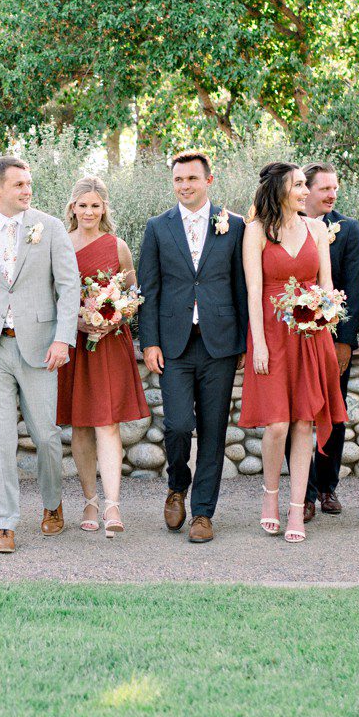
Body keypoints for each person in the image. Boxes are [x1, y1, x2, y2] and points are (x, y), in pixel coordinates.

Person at [0, 155, 80, 555]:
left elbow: (69, 286)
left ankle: (52, 504)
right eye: (18, 184)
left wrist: (63, 338)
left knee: (46, 436)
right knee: (0, 439)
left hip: (40, 345)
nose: (27, 190)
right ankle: (5, 523)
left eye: (29, 183)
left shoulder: (48, 228)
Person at [138, 152, 246, 545]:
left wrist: (246, 343)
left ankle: (202, 513)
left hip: (219, 343)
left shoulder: (234, 226)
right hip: (174, 345)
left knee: (214, 432)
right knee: (179, 425)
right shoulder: (157, 227)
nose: (184, 185)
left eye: (192, 179)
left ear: (209, 180)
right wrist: (149, 341)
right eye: (178, 179)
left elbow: (242, 287)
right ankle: (177, 485)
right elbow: (148, 289)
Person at [239, 162, 347, 544]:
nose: (305, 191)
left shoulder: (318, 229)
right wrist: (260, 344)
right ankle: (270, 498)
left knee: (304, 421)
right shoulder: (255, 231)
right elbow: (254, 291)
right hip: (270, 331)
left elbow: (327, 285)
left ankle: (297, 507)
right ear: (280, 189)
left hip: (310, 335)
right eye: (299, 184)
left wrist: (326, 316)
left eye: (305, 184)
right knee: (277, 425)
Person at [57, 177, 147, 539]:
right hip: (75, 344)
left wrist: (113, 321)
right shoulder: (60, 245)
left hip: (109, 344)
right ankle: (89, 499)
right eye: (83, 205)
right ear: (73, 208)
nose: (89, 212)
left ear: (104, 208)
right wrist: (78, 320)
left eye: (96, 205)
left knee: (108, 423)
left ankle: (112, 504)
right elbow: (53, 295)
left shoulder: (118, 247)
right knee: (80, 424)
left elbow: (131, 297)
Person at [284, 163, 359, 523]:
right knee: (294, 413)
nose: (332, 195)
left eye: (335, 188)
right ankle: (305, 492)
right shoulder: (285, 225)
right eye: (324, 189)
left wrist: (345, 341)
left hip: (331, 338)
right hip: (292, 335)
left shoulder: (348, 230)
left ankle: (328, 486)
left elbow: (353, 287)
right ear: (305, 190)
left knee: (333, 410)